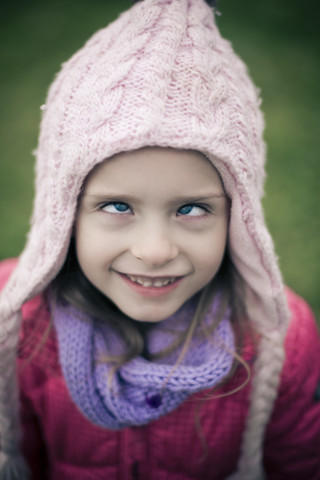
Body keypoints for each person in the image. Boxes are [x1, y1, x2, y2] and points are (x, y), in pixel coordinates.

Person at [0, 0, 319, 478]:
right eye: (117, 206)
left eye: (191, 209)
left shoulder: (278, 337)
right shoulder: (16, 327)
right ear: (63, 212)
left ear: (238, 218)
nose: (154, 251)